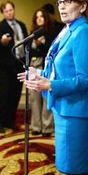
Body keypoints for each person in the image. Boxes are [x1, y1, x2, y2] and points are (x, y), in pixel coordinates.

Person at [17, 0, 88, 175]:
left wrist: (49, 85)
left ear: (83, 6)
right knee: (68, 168)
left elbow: (84, 80)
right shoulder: (66, 30)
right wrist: (39, 74)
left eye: (68, 1)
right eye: (60, 1)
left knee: (76, 170)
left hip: (77, 114)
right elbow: (59, 69)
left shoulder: (84, 32)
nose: (61, 6)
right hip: (64, 111)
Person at [0, 0, 28, 133]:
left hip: (19, 65)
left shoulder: (21, 25)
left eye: (11, 10)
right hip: (4, 67)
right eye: (6, 11)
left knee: (15, 95)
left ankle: (10, 121)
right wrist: (2, 41)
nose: (9, 13)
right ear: (3, 13)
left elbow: (26, 43)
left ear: (14, 10)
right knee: (4, 95)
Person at [29, 8, 56, 137]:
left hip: (46, 69)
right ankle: (36, 126)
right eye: (37, 17)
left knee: (46, 98)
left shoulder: (51, 33)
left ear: (46, 19)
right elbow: (28, 52)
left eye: (42, 17)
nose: (39, 19)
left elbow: (50, 53)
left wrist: (40, 45)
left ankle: (47, 127)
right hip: (33, 67)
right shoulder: (31, 34)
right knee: (34, 99)